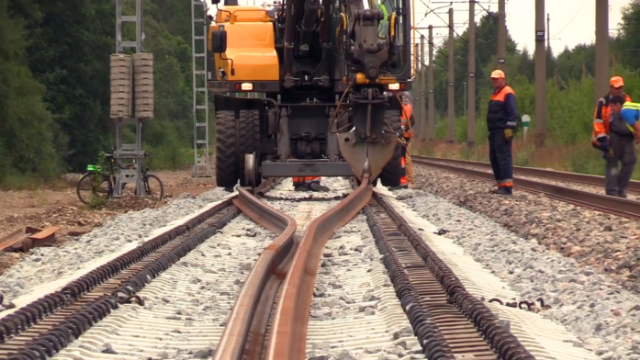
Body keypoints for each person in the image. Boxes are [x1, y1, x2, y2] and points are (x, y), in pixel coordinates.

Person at [486, 69, 517, 196]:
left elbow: (512, 113)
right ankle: (501, 185)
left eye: (496, 79)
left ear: (503, 79)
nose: (494, 81)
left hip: (502, 131)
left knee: (503, 157)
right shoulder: (495, 94)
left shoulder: (508, 92)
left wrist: (508, 131)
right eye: (493, 79)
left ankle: (507, 187)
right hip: (494, 131)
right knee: (494, 158)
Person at [602, 96, 640, 197]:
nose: (611, 109)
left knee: (630, 160)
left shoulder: (625, 110)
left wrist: (637, 137)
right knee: (612, 162)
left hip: (628, 137)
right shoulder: (606, 101)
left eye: (612, 107)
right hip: (614, 135)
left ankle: (620, 189)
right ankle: (612, 191)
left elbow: (637, 128)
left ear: (618, 105)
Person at [592, 76, 632, 155]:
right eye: (616, 88)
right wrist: (603, 140)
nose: (619, 90)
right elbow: (598, 122)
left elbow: (631, 118)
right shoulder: (603, 102)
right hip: (608, 135)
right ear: (611, 88)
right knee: (595, 140)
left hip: (623, 134)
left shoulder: (627, 100)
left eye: (621, 87)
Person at [399, 91, 416, 188]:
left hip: (405, 135)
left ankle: (410, 181)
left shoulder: (404, 106)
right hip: (405, 134)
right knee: (404, 157)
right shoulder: (408, 106)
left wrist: (404, 129)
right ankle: (406, 180)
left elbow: (411, 120)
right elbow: (412, 120)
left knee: (406, 157)